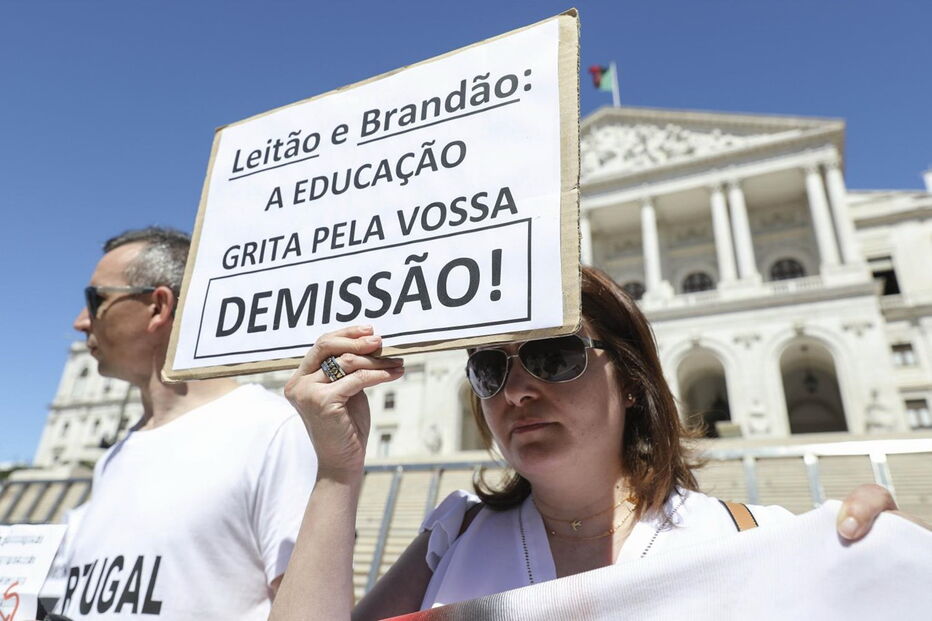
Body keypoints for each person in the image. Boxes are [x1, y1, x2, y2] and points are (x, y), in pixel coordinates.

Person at [271, 266, 915, 620]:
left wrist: (884, 564)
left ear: (632, 383)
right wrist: (337, 473)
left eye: (553, 357)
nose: (516, 392)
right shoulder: (452, 539)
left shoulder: (756, 538)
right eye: (491, 369)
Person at [58, 227, 317, 621]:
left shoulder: (272, 428)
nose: (80, 322)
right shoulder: (114, 457)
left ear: (159, 307)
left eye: (95, 300)